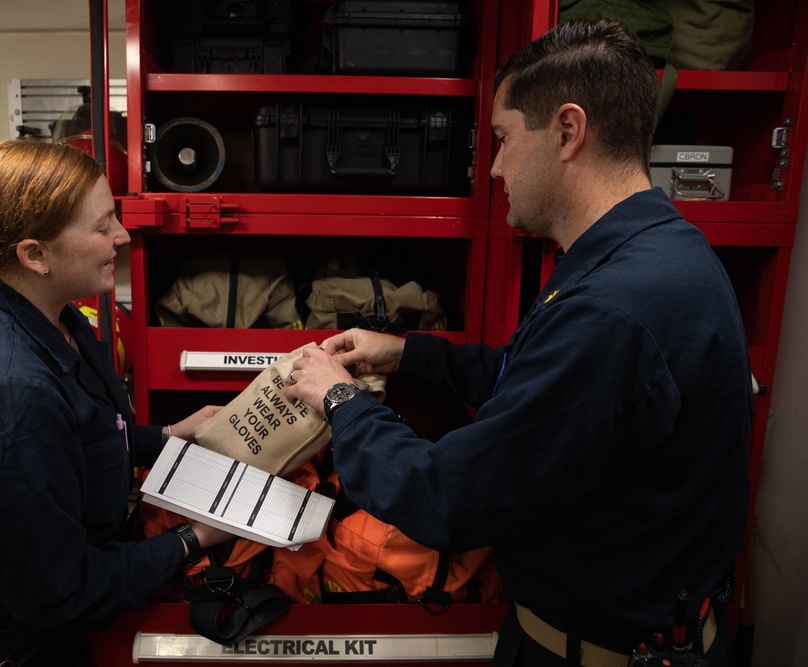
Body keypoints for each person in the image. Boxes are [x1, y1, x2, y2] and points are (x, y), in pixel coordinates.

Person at [286, 19, 751, 667]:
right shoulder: (654, 256)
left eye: (504, 138)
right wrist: (404, 352)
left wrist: (339, 399)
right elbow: (530, 382)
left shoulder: (614, 309)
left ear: (567, 130)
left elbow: (446, 496)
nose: (496, 164)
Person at [0, 139, 232, 666]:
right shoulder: (11, 391)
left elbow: (84, 432)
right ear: (35, 255)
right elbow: (56, 591)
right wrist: (195, 538)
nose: (121, 235)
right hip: (1, 645)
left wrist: (167, 436)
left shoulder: (56, 318)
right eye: (101, 227)